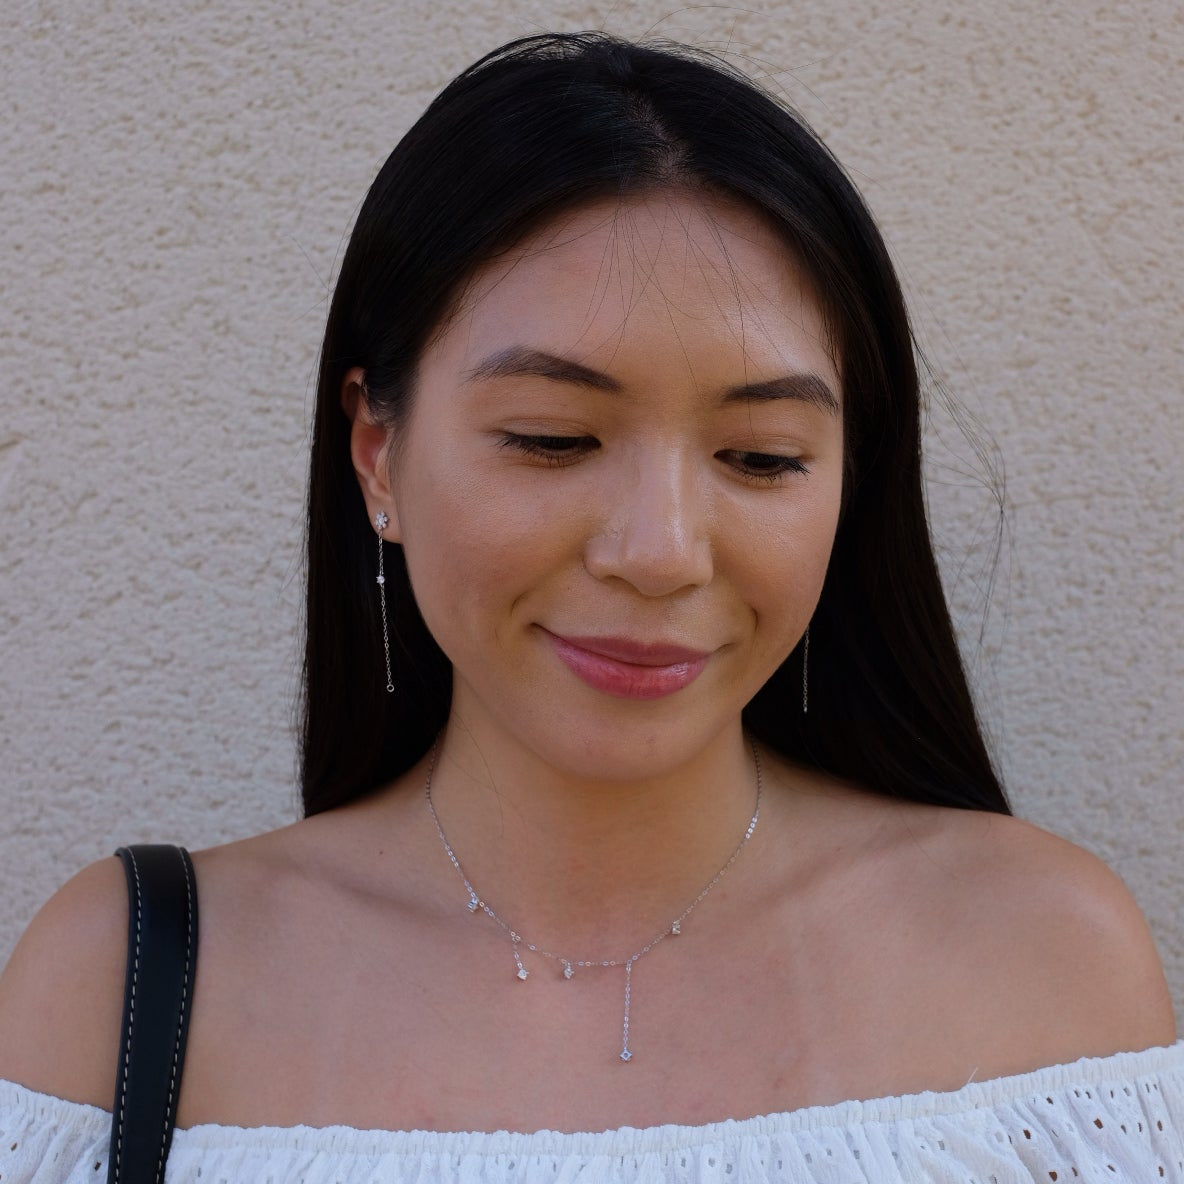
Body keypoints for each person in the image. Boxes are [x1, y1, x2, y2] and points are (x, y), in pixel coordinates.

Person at [0, 29, 1179, 1183]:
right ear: (376, 450)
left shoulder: (1043, 964)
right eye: (552, 438)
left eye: (761, 456)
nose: (659, 550)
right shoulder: (122, 985)